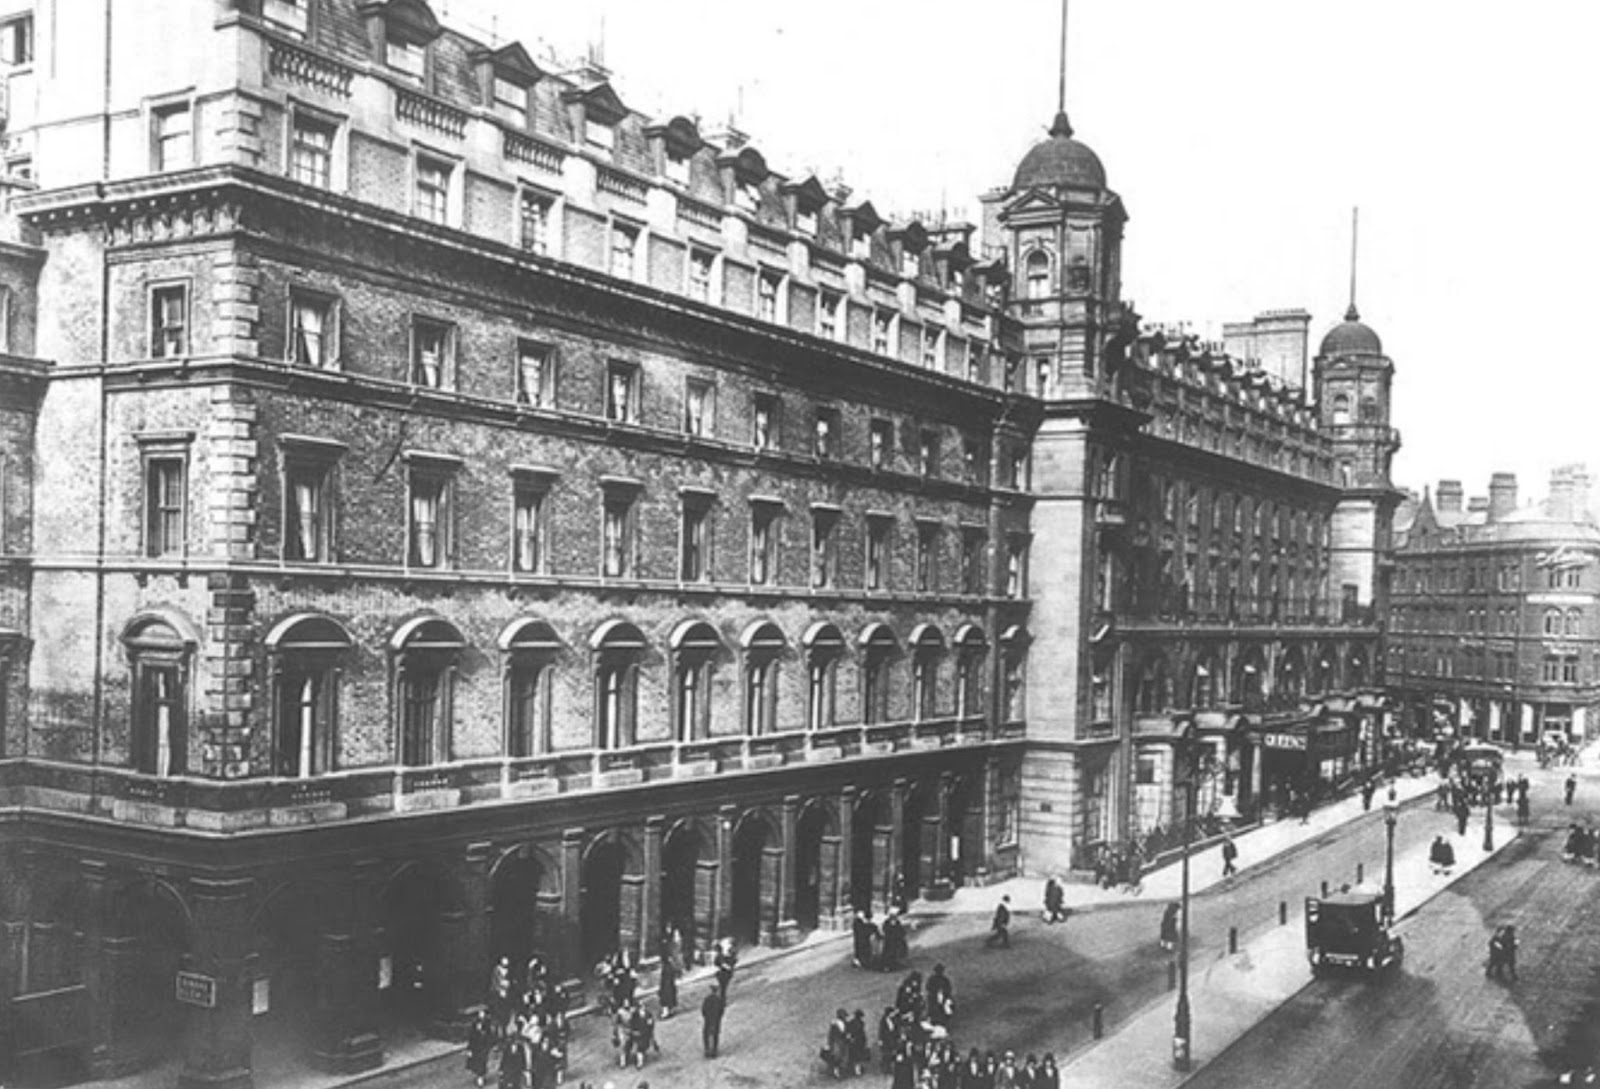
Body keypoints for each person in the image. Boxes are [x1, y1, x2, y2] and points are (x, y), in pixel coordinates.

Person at [467, 1009, 497, 1088]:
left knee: (483, 1062)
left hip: (484, 1047)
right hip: (476, 1047)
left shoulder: (487, 1023)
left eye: (483, 1013)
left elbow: (490, 1035)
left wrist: (490, 1045)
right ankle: (479, 1076)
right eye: (480, 1013)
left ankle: (481, 1077)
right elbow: (471, 1037)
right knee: (477, 1062)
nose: (482, 1014)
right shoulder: (474, 1024)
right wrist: (469, 1049)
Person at [926, 963, 954, 1027]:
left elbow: (948, 989)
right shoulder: (932, 979)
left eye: (940, 971)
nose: (939, 972)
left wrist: (944, 994)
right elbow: (928, 987)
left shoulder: (945, 980)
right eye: (938, 971)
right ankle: (934, 1021)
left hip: (943, 997)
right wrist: (935, 992)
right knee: (934, 1010)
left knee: (945, 1009)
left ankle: (943, 1022)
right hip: (933, 998)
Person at [700, 988, 724, 1058]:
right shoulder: (719, 1000)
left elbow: (703, 1010)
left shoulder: (706, 999)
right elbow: (721, 1011)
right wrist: (718, 1017)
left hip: (708, 1019)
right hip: (716, 1019)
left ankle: (707, 1049)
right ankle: (714, 1050)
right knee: (715, 1034)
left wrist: (705, 1016)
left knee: (706, 1034)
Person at [846, 1009, 871, 1076]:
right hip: (857, 1041)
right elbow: (860, 1033)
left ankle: (856, 1071)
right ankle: (856, 1071)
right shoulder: (858, 1023)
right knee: (857, 1057)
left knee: (856, 1057)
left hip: (857, 1041)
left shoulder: (853, 1022)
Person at [657, 954, 678, 1019]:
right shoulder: (669, 966)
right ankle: (671, 1010)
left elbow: (666, 979)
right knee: (670, 997)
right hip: (669, 985)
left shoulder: (666, 967)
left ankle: (667, 1012)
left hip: (667, 987)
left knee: (666, 999)